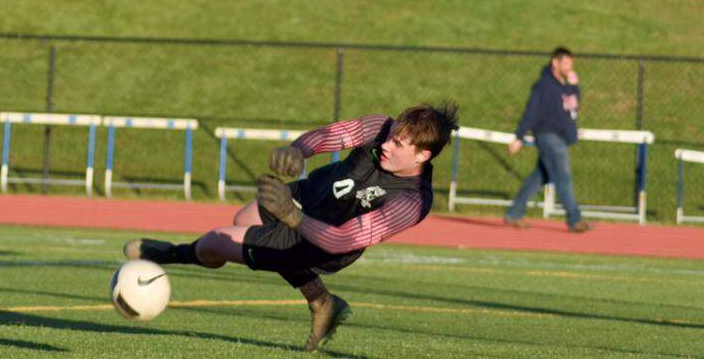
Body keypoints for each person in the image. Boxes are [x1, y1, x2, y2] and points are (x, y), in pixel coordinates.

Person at [122, 102, 459, 352]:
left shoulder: (412, 202)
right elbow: (331, 135)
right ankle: (322, 302)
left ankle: (169, 254)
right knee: (243, 220)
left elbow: (343, 240)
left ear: (422, 157)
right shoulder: (380, 127)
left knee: (215, 241)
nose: (387, 144)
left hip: (321, 241)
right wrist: (298, 150)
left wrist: (293, 218)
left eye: (399, 145)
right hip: (308, 195)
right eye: (392, 136)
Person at [503, 46, 590, 233]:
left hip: (560, 137)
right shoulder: (543, 85)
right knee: (563, 177)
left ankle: (514, 213)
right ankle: (575, 219)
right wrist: (518, 137)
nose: (569, 67)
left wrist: (574, 85)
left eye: (570, 64)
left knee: (539, 177)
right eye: (565, 63)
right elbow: (531, 112)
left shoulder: (563, 87)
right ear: (555, 62)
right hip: (548, 136)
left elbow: (573, 105)